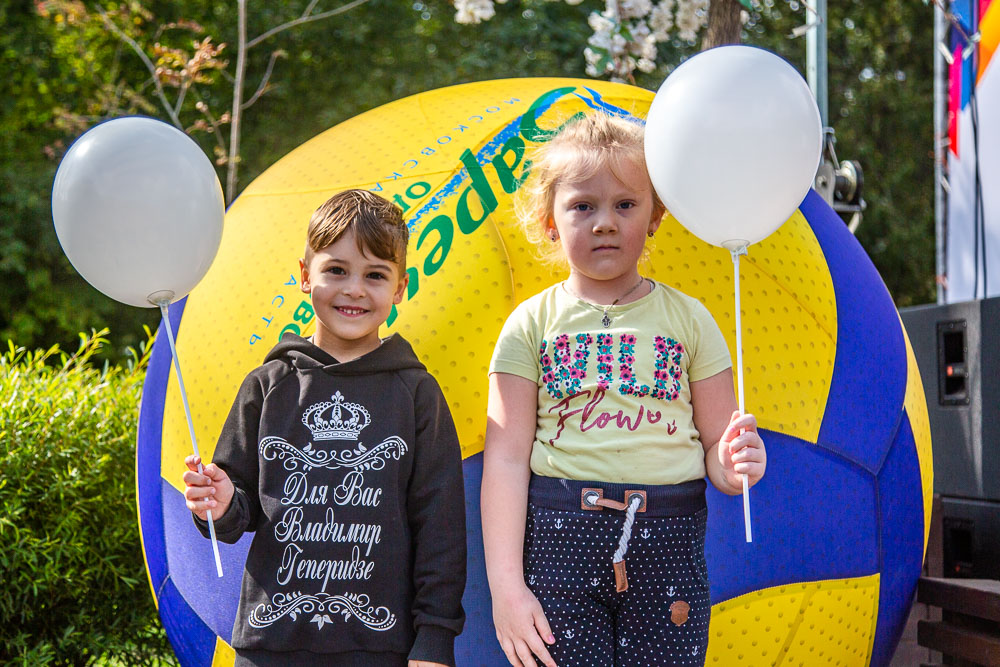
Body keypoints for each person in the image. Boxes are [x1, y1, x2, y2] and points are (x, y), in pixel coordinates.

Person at [482, 113, 767, 667]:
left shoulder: (692, 320)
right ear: (549, 221)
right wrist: (506, 589)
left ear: (656, 216)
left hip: (671, 539)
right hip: (560, 538)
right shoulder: (529, 324)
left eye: (625, 205)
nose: (605, 223)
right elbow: (508, 460)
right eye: (583, 206)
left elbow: (718, 453)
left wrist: (737, 465)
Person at [182, 189, 466, 667]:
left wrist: (434, 642)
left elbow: (441, 530)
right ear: (304, 274)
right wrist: (220, 501)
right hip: (269, 644)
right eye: (336, 270)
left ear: (400, 288)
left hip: (382, 648)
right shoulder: (266, 386)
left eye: (375, 275)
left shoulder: (417, 394)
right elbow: (234, 515)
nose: (354, 289)